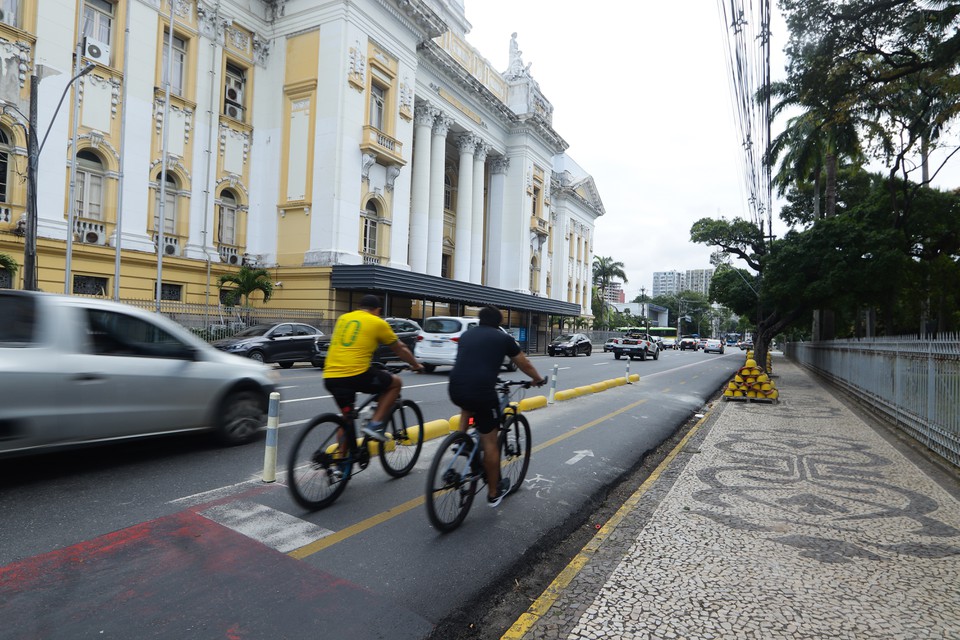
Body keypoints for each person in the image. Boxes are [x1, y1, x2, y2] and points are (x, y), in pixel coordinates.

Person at [448, 306, 545, 508]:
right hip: (482, 392)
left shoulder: (467, 335)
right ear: (499, 322)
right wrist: (536, 379)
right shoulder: (503, 338)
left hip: (455, 387)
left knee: (468, 404)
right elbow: (523, 363)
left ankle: (462, 440)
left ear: (480, 319)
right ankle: (493, 493)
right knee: (490, 441)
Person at [323, 294, 423, 442]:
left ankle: (342, 463)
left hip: (330, 377)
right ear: (377, 310)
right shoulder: (377, 322)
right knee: (395, 383)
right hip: (355, 374)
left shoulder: (343, 318)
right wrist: (416, 365)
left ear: (360, 308)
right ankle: (375, 424)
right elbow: (400, 348)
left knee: (347, 419)